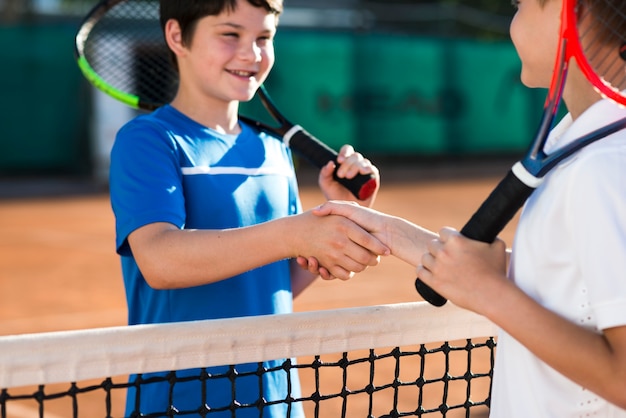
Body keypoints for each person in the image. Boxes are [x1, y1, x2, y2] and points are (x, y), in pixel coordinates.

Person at [312, 0, 626, 415]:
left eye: (521, 5)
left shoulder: (601, 167)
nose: (512, 22)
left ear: (574, 13)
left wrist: (488, 291)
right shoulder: (588, 151)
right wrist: (393, 235)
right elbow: (569, 286)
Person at [108, 0, 387, 416]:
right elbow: (160, 260)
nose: (251, 54)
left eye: (264, 38)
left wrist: (338, 212)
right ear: (177, 36)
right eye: (230, 34)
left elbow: (274, 285)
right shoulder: (148, 141)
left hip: (275, 399)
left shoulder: (273, 151)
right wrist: (296, 232)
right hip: (180, 401)